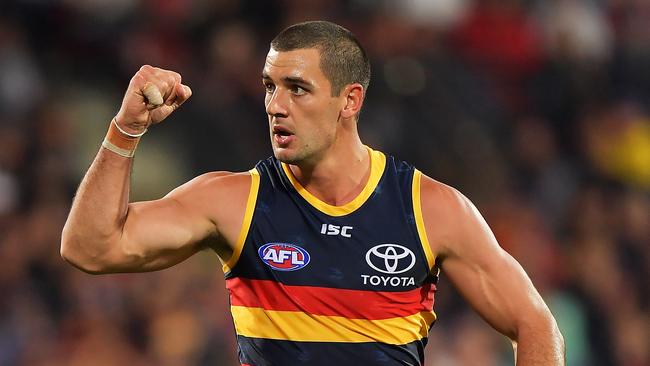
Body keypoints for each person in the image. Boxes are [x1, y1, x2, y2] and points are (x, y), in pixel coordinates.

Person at [61, 21, 565, 365]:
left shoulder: (430, 208)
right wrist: (126, 129)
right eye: (268, 87)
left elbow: (535, 324)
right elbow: (89, 247)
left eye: (296, 89)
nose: (276, 106)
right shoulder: (234, 201)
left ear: (351, 100)